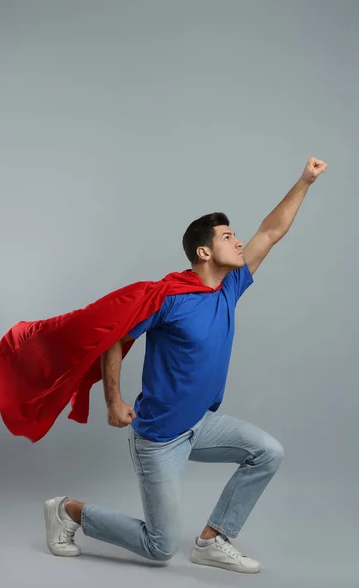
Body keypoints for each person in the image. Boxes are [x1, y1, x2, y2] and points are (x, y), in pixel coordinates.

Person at [44, 157, 327, 574]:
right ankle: (67, 511)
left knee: (268, 452)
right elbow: (115, 339)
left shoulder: (230, 287)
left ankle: (213, 540)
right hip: (160, 437)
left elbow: (271, 231)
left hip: (202, 423)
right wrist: (113, 400)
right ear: (204, 251)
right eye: (228, 237)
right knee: (159, 547)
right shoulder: (168, 298)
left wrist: (305, 180)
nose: (238, 242)